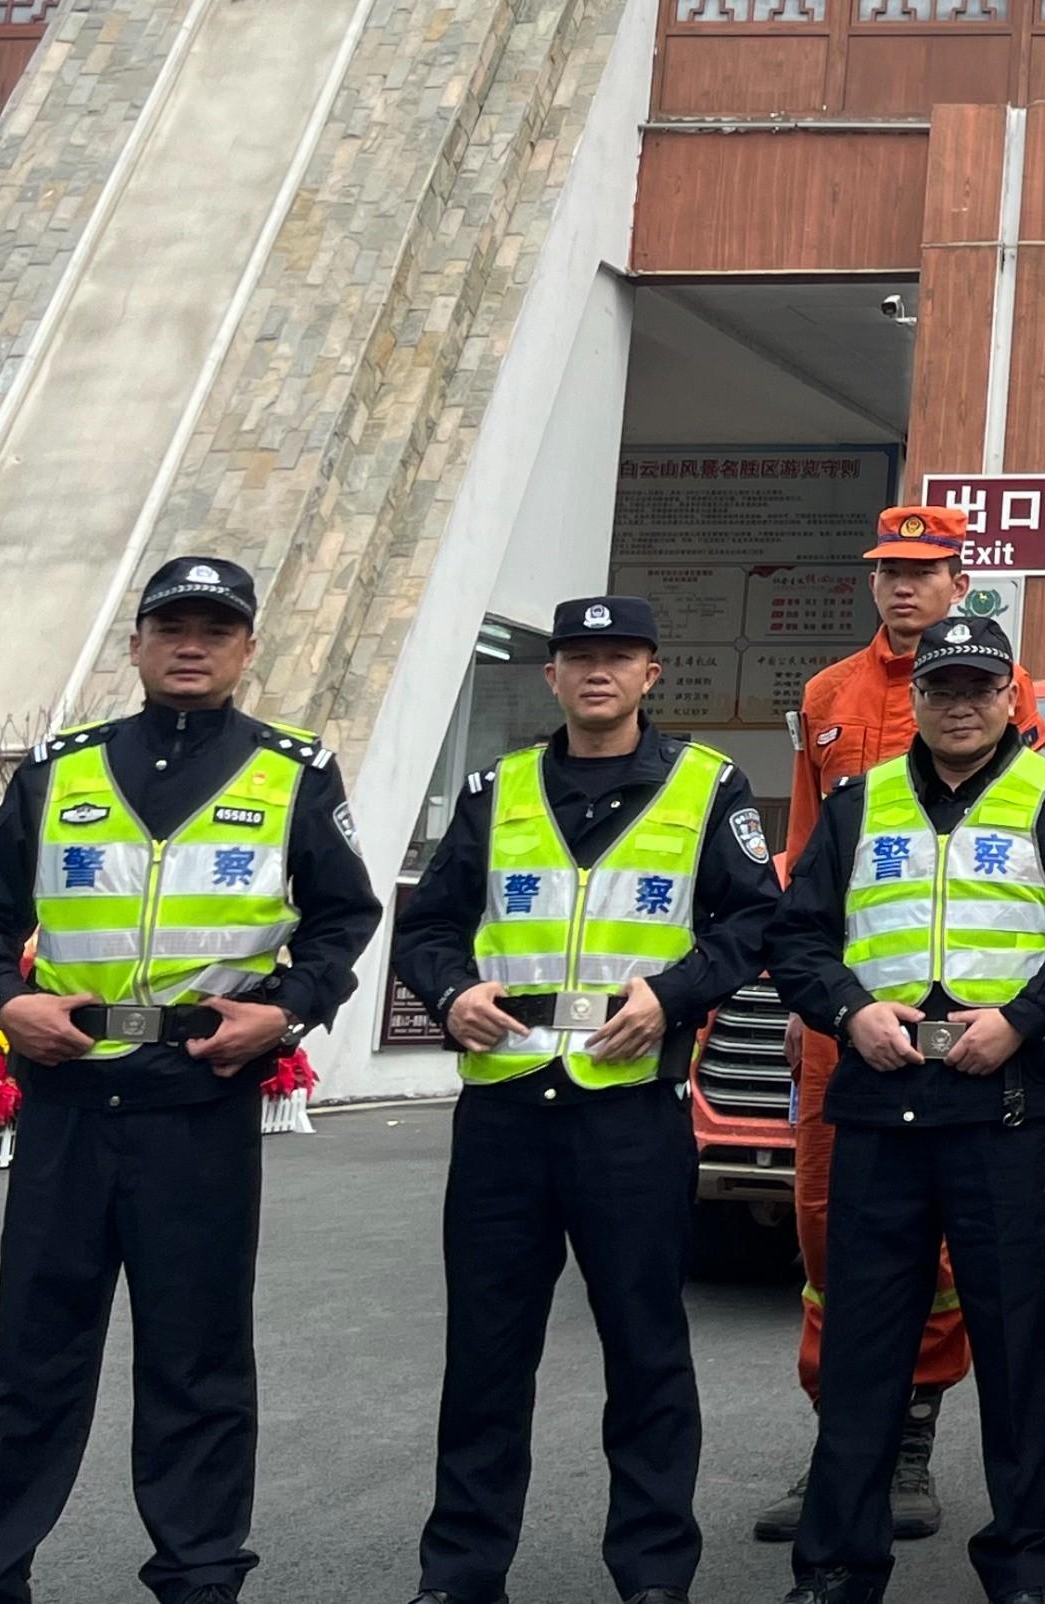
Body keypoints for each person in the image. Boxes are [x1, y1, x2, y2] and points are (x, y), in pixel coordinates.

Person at [0, 552, 383, 1604]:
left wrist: (285, 1008)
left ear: (246, 649)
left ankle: (198, 1575)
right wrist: (4, 998)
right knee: (32, 1361)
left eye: (215, 629)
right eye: (171, 625)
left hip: (198, 1099)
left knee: (198, 1362)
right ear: (135, 643)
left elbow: (343, 917)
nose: (192, 643)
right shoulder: (62, 768)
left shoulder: (292, 770)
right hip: (70, 1099)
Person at [394, 593, 778, 1604]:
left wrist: (674, 994)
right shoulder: (497, 786)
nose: (596, 670)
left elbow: (752, 924)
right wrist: (449, 990)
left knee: (645, 1346)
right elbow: (427, 924)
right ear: (552, 675)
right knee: (485, 1352)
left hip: (630, 1109)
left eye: (619, 654)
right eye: (578, 656)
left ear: (653, 672)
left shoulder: (706, 785)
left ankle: (653, 1572)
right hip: (505, 1111)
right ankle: (460, 1571)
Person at [767, 610, 1045, 1604]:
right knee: (862, 1347)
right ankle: (838, 1563)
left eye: (980, 686)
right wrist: (849, 1012)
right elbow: (796, 939)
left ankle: (1021, 1568)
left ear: (1010, 695)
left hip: (1001, 1104)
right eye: (942, 687)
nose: (961, 703)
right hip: (880, 1100)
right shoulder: (858, 803)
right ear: (918, 698)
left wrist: (1023, 1018)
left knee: (1016, 1352)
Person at [761, 502, 1043, 1546]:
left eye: (924, 570)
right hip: (851, 1023)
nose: (903, 586)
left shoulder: (1009, 695)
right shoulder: (827, 694)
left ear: (959, 579)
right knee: (831, 1227)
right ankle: (844, 1443)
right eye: (888, 569)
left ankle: (913, 1439)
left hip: (967, 1029)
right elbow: (803, 857)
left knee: (953, 1239)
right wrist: (810, 1008)